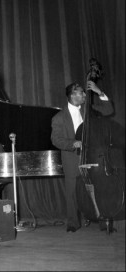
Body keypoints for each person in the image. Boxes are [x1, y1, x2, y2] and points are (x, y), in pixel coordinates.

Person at [51, 80, 113, 233]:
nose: (85, 95)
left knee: (97, 190)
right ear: (72, 95)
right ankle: (73, 223)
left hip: (92, 156)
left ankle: (102, 222)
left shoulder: (88, 110)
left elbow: (108, 110)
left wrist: (99, 92)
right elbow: (56, 139)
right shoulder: (59, 117)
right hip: (72, 158)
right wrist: (73, 143)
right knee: (72, 192)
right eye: (81, 92)